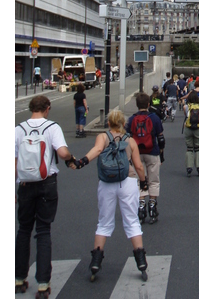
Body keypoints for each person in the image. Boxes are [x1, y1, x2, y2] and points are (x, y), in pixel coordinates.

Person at [74, 109, 149, 281]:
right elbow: (138, 165)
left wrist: (82, 161)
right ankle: (141, 261)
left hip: (107, 182)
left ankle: (96, 261)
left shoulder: (103, 137)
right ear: (123, 124)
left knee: (104, 222)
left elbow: (97, 150)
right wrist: (143, 181)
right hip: (127, 181)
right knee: (131, 220)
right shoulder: (130, 140)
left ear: (109, 123)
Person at [15, 95, 77, 296]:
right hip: (46, 182)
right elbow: (62, 153)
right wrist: (70, 157)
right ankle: (43, 284)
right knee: (43, 231)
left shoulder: (19, 129)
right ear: (47, 108)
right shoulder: (52, 128)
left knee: (23, 230)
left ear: (31, 108)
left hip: (24, 183)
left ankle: (19, 278)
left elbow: (13, 162)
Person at [126, 92, 165, 225]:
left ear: (137, 105)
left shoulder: (131, 120)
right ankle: (153, 208)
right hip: (152, 151)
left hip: (136, 153)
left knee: (139, 180)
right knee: (154, 180)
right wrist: (161, 152)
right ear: (148, 104)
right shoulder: (154, 118)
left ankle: (141, 206)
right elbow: (160, 137)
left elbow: (127, 138)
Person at [182, 90, 199, 176]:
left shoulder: (186, 106)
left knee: (189, 148)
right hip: (198, 128)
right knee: (197, 148)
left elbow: (186, 116)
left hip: (188, 128)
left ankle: (189, 167)